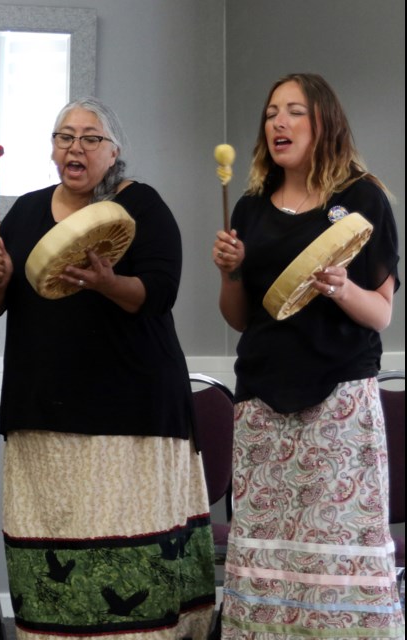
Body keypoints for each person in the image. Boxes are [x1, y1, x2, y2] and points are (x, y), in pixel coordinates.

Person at [0, 97, 215, 639]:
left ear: (114, 152)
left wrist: (106, 282)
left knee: (131, 558)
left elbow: (157, 293)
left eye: (90, 137)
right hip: (43, 413)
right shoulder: (27, 211)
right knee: (56, 562)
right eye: (64, 136)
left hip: (130, 413)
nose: (75, 147)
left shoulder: (140, 206)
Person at [212, 73, 403, 639]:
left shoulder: (363, 198)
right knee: (269, 552)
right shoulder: (247, 208)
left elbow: (381, 314)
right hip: (262, 403)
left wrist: (341, 287)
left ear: (324, 123)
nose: (278, 123)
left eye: (294, 111)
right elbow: (240, 318)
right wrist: (229, 273)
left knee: (337, 544)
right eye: (272, 112)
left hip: (339, 401)